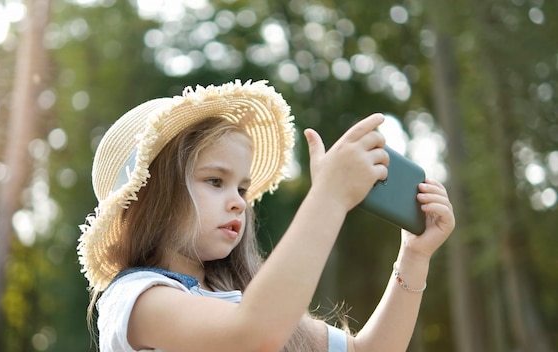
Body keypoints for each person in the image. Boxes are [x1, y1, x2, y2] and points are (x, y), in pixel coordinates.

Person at [77, 79, 455, 352]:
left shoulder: (241, 298)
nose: (239, 202)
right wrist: (329, 197)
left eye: (242, 188)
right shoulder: (136, 299)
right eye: (214, 181)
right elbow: (253, 335)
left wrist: (414, 256)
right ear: (151, 197)